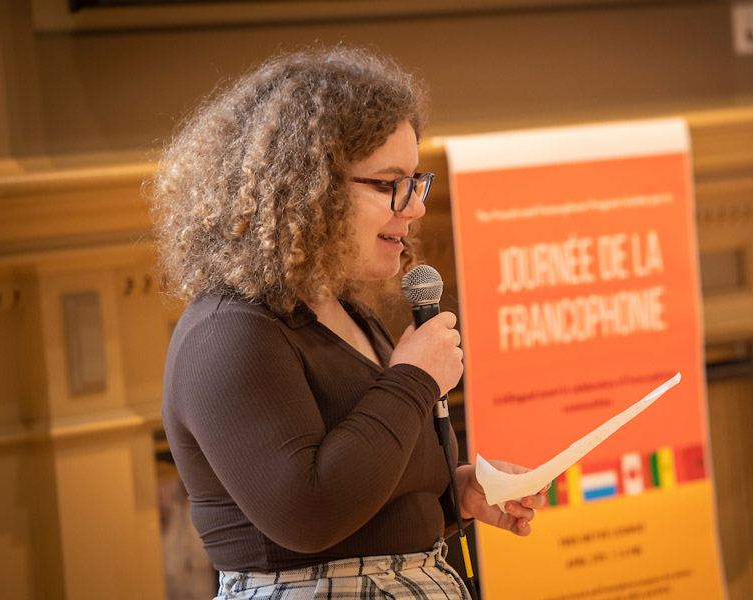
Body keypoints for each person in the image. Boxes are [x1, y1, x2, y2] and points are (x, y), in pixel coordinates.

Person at [151, 46, 545, 600]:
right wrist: (413, 380)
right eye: (390, 184)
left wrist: (459, 492)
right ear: (306, 187)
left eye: (416, 181)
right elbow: (309, 514)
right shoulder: (227, 332)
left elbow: (368, 484)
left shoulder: (350, 312)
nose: (414, 207)